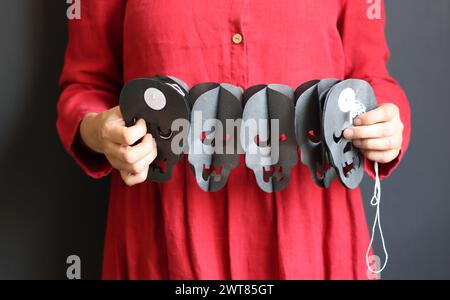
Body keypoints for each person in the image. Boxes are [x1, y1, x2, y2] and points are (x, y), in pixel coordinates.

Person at [57, 0, 410, 279]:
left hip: (311, 234)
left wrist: (387, 124)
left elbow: (371, 78)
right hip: (164, 240)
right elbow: (86, 87)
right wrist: (100, 130)